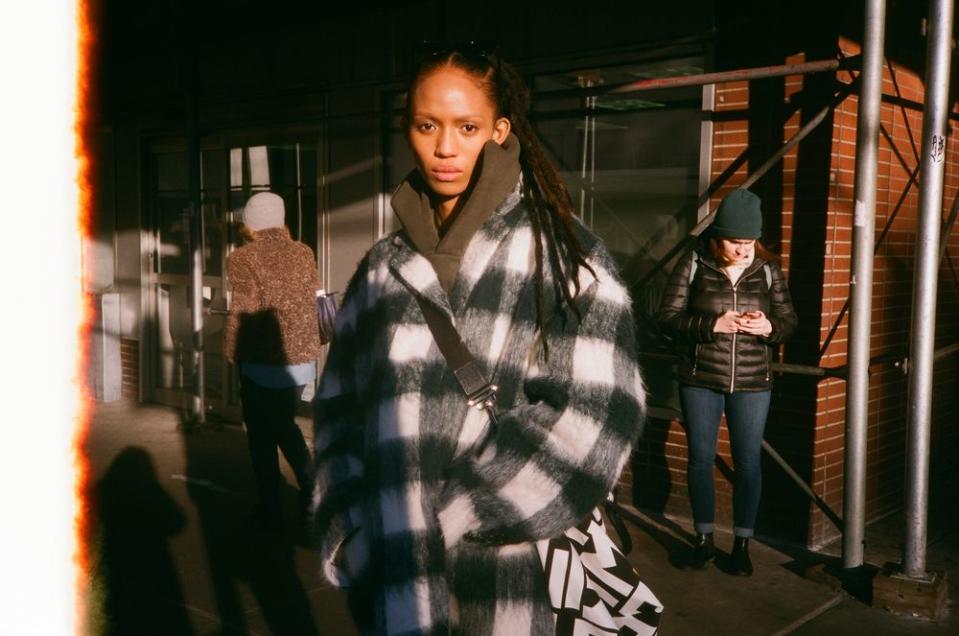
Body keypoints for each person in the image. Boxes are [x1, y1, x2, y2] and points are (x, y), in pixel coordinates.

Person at [310, 46, 646, 634]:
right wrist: (352, 530)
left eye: (466, 127)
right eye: (427, 126)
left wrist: (454, 517)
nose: (445, 148)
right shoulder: (380, 268)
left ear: (499, 131)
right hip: (391, 590)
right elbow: (339, 407)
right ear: (407, 129)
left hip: (510, 587)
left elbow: (598, 417)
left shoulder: (562, 255)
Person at [657, 188, 798, 576]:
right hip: (701, 379)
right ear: (718, 237)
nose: (744, 249)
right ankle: (703, 541)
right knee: (701, 460)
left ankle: (741, 545)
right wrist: (711, 325)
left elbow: (789, 323)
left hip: (754, 382)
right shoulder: (694, 264)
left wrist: (769, 327)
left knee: (748, 463)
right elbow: (665, 318)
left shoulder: (769, 271)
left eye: (750, 241)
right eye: (736, 242)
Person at [224, 191, 321, 531]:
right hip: (302, 361)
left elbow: (245, 312)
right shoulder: (303, 252)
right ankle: (311, 494)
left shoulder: (241, 258)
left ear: (251, 222)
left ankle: (273, 505)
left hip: (262, 363)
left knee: (262, 435)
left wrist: (231, 352)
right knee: (285, 426)